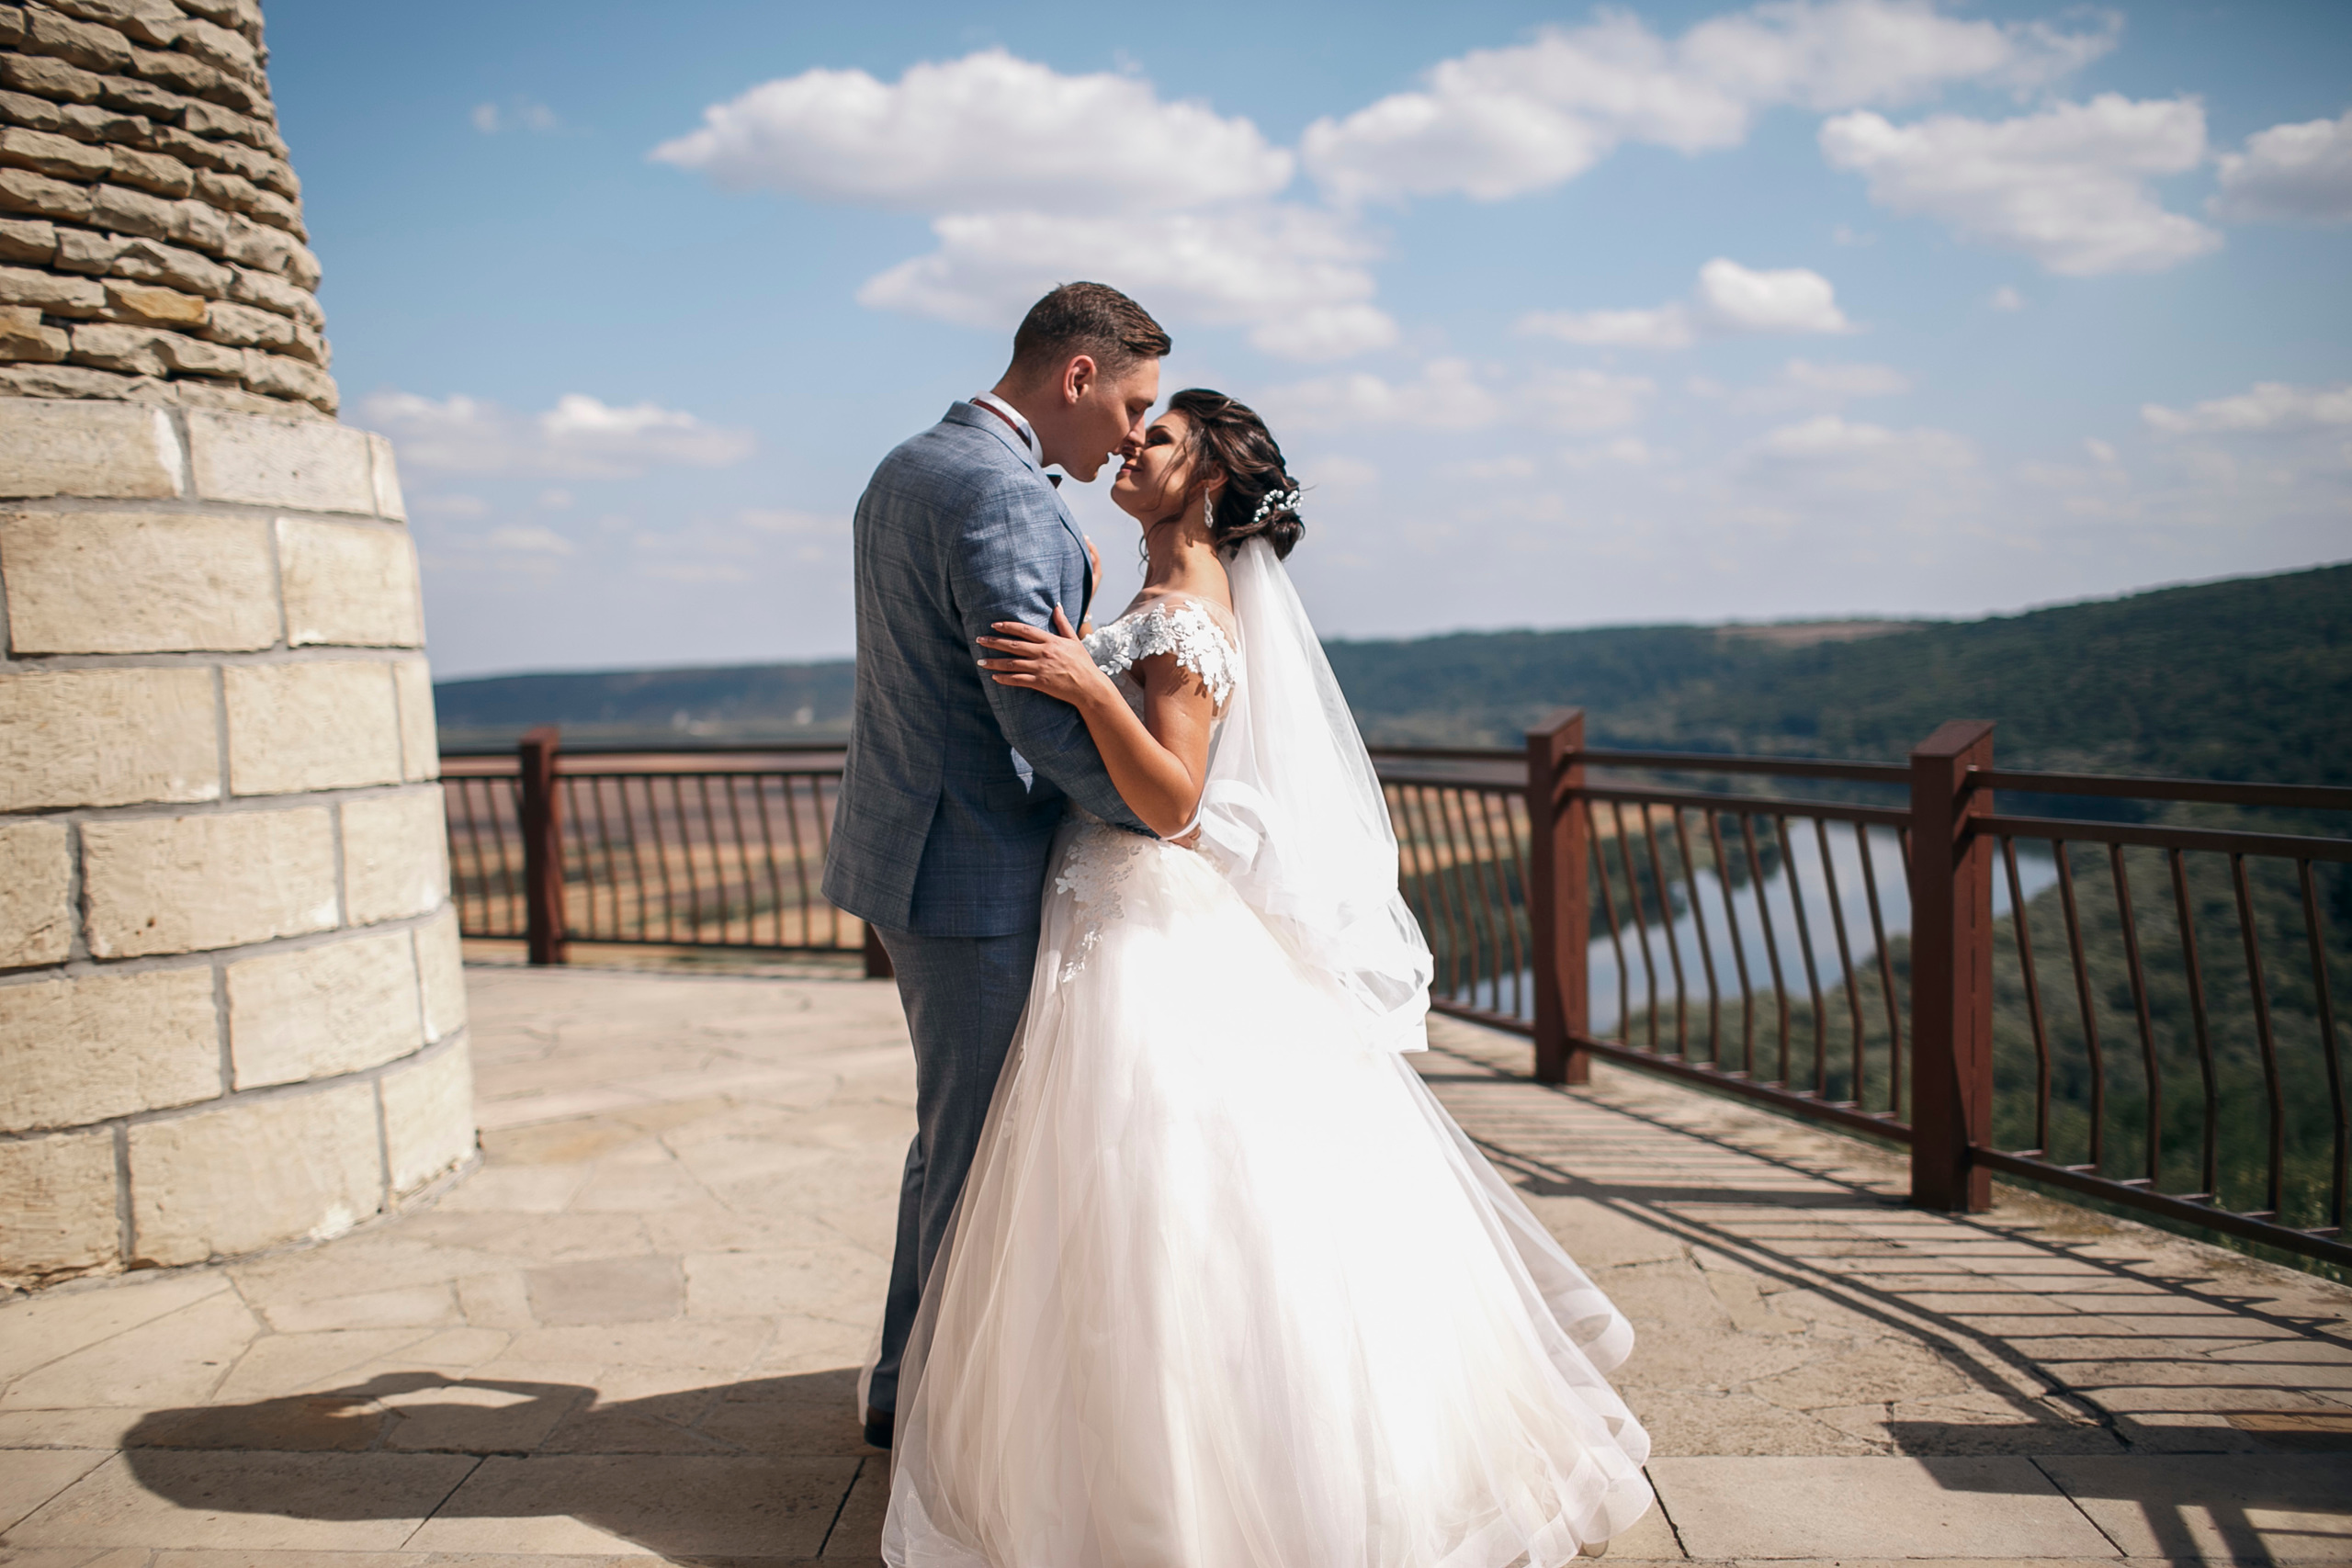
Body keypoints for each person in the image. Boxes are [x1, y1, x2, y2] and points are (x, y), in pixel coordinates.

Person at [884, 389, 1657, 1564]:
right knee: (1108, 1209)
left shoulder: (1192, 610)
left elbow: (1174, 804)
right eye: (1137, 428)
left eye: (1157, 439)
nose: (1128, 446)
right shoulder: (1153, 589)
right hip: (1095, 906)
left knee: (1159, 1202)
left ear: (1202, 485)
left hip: (1143, 915)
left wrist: (1088, 685)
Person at [822, 282, 1171, 1449]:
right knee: (977, 1150)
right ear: (1076, 375)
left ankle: (905, 1381)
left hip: (911, 848)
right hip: (968, 864)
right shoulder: (1001, 493)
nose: (1132, 434)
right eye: (1130, 403)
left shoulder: (908, 463)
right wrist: (1153, 820)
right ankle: (932, 1412)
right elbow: (1031, 714)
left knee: (954, 1136)